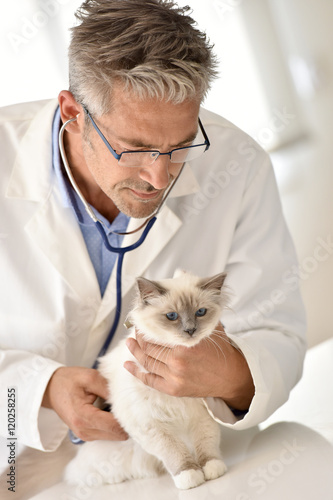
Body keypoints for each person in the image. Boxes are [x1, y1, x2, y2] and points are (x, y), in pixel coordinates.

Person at [0, 0, 306, 464]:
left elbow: (278, 332)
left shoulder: (239, 165)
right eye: (135, 148)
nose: (160, 179)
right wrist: (35, 388)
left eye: (181, 145)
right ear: (72, 112)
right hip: (15, 460)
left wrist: (230, 374)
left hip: (176, 455)